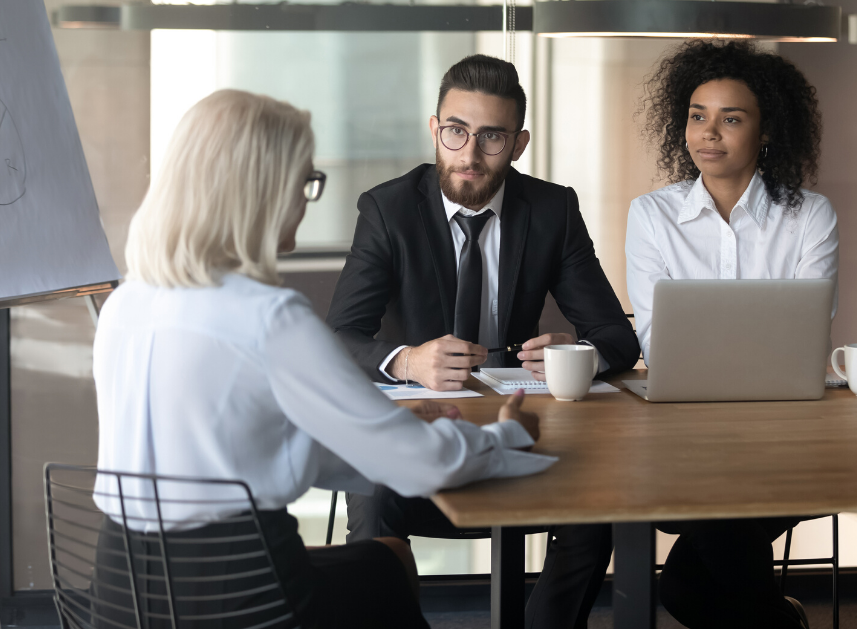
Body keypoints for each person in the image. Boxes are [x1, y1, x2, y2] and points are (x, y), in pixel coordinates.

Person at [92, 89, 556, 629]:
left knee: (383, 559)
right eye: (305, 181)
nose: (306, 199)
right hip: (245, 596)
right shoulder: (269, 316)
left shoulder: (126, 304)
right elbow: (418, 466)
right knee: (387, 567)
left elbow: (238, 443)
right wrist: (505, 436)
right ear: (263, 189)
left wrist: (380, 424)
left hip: (120, 593)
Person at [326, 54, 640, 629]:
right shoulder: (388, 209)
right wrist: (408, 360)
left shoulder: (552, 210)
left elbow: (616, 335)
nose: (469, 155)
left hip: (521, 420)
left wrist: (577, 357)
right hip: (418, 424)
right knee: (372, 491)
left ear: (518, 145)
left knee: (598, 506)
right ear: (434, 130)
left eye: (491, 138)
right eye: (456, 132)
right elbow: (342, 338)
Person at [626, 40, 839, 629]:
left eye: (731, 118)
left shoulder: (810, 217)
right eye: (697, 115)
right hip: (682, 436)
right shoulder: (652, 216)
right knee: (705, 560)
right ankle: (779, 621)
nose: (708, 133)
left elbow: (804, 339)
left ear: (765, 131)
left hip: (785, 436)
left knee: (689, 586)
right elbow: (656, 342)